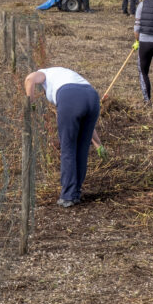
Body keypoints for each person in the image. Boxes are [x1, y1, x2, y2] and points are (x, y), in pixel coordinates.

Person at [24, 67, 103, 207]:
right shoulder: (68, 75)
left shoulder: (45, 73)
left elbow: (30, 79)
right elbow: (87, 125)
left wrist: (30, 106)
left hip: (70, 97)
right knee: (82, 149)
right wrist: (98, 144)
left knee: (68, 148)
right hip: (92, 97)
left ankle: (68, 196)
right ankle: (75, 193)